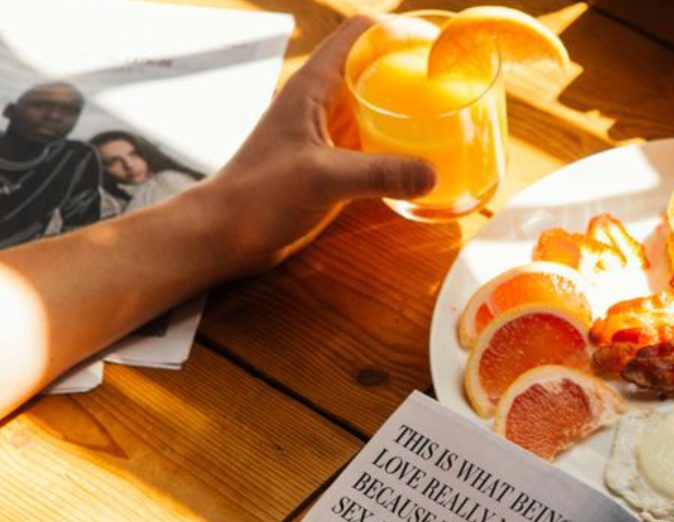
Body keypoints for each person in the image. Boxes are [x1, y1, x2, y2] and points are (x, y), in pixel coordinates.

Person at [0, 17, 435, 418]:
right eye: (43, 107)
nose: (54, 118)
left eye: (65, 112)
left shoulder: (76, 161)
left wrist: (227, 223)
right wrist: (223, 224)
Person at [0, 81, 102, 247]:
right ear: (9, 111)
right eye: (41, 105)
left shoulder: (74, 157)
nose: (54, 116)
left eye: (69, 111)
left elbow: (82, 230)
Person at [90, 130, 204, 216]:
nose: (129, 165)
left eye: (134, 154)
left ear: (145, 152)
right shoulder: (105, 203)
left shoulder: (167, 180)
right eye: (114, 161)